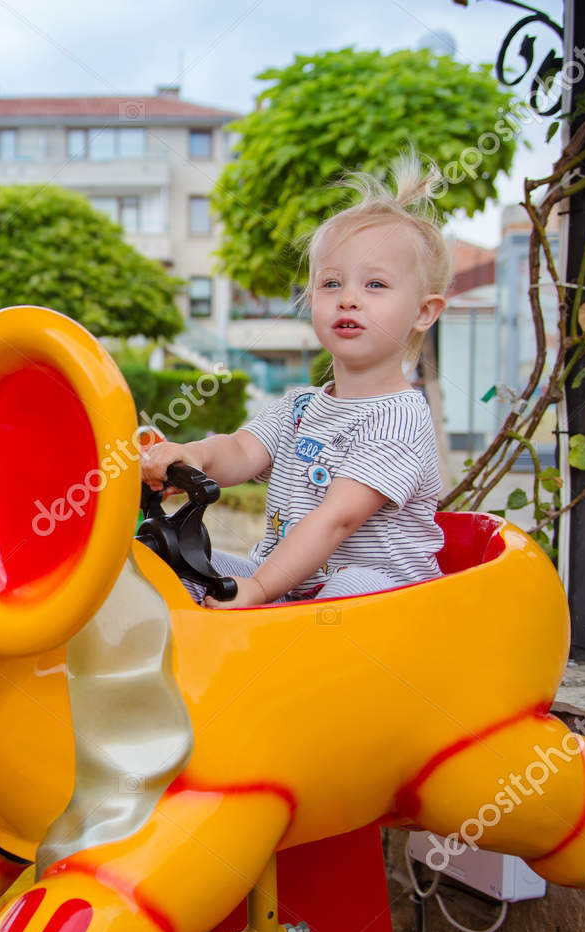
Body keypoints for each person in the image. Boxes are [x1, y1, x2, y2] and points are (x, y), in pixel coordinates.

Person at [140, 148, 451, 607]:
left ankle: (312, 663)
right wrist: (195, 453)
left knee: (353, 589)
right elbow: (242, 450)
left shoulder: (399, 420)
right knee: (167, 563)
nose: (348, 299)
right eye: (331, 284)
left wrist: (262, 587)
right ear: (312, 300)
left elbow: (337, 519)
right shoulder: (300, 407)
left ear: (424, 312)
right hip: (290, 587)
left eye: (375, 285)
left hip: (387, 603)